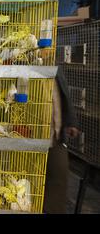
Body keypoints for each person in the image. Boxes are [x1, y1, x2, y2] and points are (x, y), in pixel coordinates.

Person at [43, 67, 79, 214]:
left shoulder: (56, 70)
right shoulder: (25, 66)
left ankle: (52, 209)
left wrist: (71, 122)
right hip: (32, 135)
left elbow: (65, 97)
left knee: (59, 174)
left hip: (55, 137)